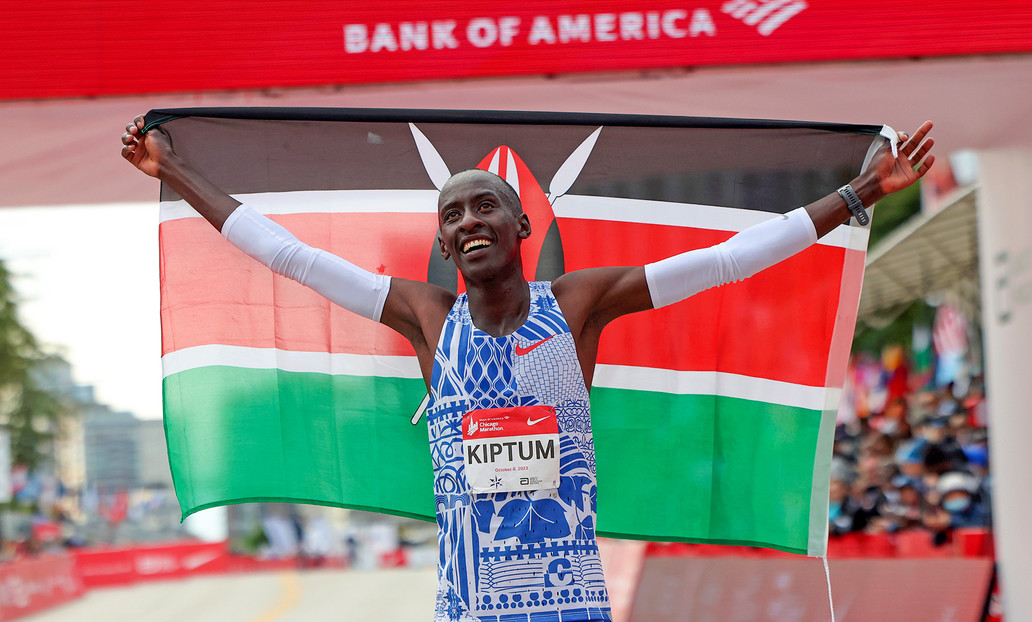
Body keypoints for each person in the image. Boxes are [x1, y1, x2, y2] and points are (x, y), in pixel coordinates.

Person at [122, 115, 934, 622]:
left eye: (484, 207)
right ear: (443, 244)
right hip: (467, 604)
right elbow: (287, 256)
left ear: (521, 224)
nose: (468, 221)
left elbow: (726, 262)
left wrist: (859, 193)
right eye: (451, 215)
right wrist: (177, 175)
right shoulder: (425, 317)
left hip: (568, 603)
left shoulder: (576, 304)